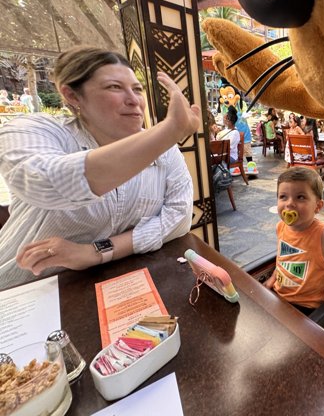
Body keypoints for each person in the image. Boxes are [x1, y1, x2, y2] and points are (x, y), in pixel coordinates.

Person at [0, 46, 200, 290]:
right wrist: (169, 132)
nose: (134, 99)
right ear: (73, 96)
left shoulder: (165, 150)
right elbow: (45, 182)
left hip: (110, 281)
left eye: (137, 89)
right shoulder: (36, 130)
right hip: (23, 289)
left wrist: (95, 252)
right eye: (114, 87)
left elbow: (179, 219)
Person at [264, 167, 324, 319]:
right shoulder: (281, 227)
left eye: (300, 197)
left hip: (309, 309)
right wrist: (274, 277)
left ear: (318, 206)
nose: (290, 204)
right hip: (281, 297)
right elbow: (285, 258)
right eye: (283, 196)